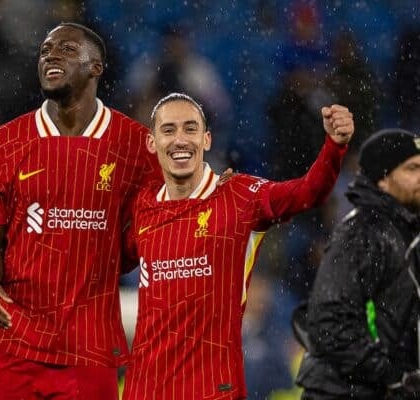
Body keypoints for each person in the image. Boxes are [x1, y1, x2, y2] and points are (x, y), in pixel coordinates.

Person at [0, 23, 160, 399]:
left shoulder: (137, 147)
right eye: (44, 50)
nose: (51, 56)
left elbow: (159, 227)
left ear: (96, 67)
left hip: (89, 351)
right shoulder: (4, 143)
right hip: (13, 343)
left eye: (67, 49)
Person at [122, 93, 354, 400]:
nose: (180, 139)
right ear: (152, 143)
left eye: (190, 129)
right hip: (146, 390)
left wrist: (334, 147)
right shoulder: (142, 205)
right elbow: (104, 259)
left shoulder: (239, 197)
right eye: (168, 130)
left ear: (206, 140)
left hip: (214, 389)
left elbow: (308, 192)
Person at [294, 128, 420, 399]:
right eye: (412, 168)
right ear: (383, 179)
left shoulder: (403, 231)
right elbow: (328, 323)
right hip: (341, 393)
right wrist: (393, 375)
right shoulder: (364, 231)